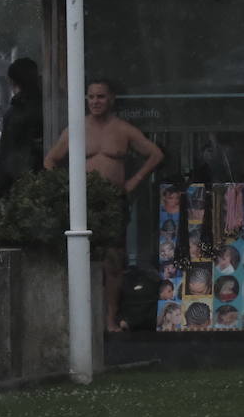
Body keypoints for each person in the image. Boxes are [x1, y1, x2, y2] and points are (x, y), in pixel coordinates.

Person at [44, 78, 165, 332]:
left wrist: (134, 181)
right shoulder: (76, 129)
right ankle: (81, 321)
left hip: (112, 201)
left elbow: (156, 154)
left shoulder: (123, 129)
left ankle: (110, 319)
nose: (95, 102)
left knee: (113, 260)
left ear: (111, 99)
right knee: (81, 258)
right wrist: (66, 189)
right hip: (82, 202)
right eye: (91, 97)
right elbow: (50, 161)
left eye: (100, 97)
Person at [0, 58, 44, 199]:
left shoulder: (16, 112)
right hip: (41, 175)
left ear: (13, 82)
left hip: (18, 178)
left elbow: (7, 150)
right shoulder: (46, 105)